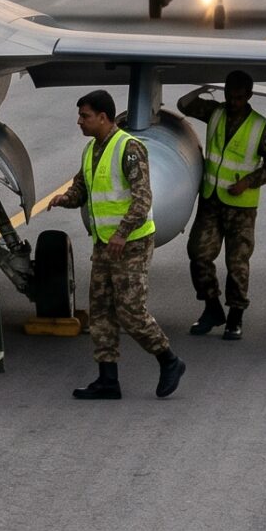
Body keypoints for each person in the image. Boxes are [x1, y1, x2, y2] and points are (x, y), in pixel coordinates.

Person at [49, 90, 184, 400]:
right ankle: (107, 379)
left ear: (103, 117)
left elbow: (142, 199)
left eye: (85, 116)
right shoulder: (91, 150)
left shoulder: (129, 148)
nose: (79, 121)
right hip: (105, 245)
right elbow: (82, 188)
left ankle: (169, 360)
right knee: (101, 312)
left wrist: (122, 234)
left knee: (131, 311)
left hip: (131, 243)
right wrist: (64, 199)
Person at [179, 71, 266, 340]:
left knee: (237, 263)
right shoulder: (215, 113)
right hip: (211, 200)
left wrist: (248, 182)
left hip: (241, 207)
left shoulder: (261, 127)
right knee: (198, 254)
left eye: (239, 97)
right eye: (229, 96)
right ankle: (212, 308)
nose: (233, 102)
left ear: (249, 96)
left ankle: (235, 316)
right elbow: (184, 105)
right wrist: (203, 88)